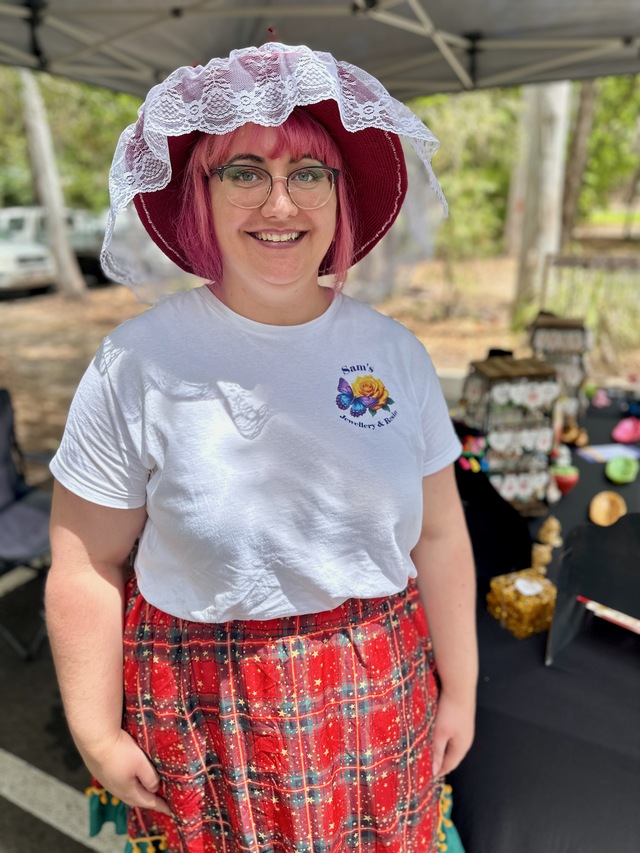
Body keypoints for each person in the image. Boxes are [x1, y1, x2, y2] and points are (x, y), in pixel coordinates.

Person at [45, 42, 478, 853]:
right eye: (244, 171)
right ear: (199, 195)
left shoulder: (396, 354)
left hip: (380, 686)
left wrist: (462, 689)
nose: (280, 202)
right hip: (201, 701)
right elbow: (85, 562)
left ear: (340, 194)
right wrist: (95, 728)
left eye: (309, 172)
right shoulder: (137, 362)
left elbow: (443, 534)